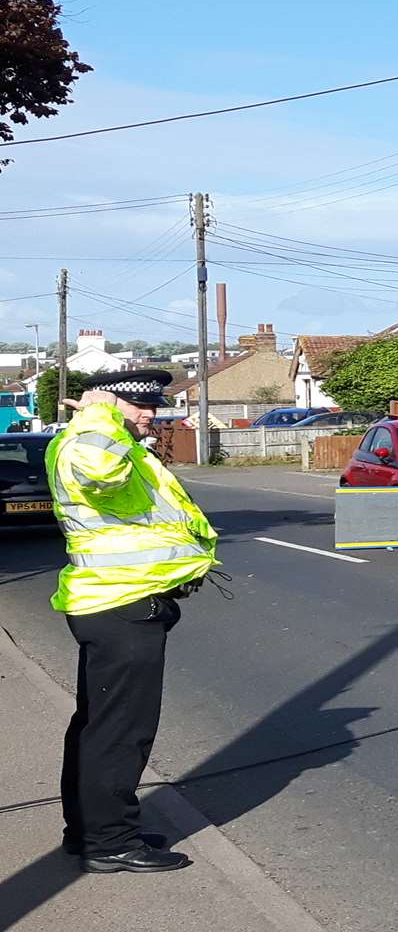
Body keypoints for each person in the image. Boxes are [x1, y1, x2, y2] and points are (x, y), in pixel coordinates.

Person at [47, 369, 217, 873]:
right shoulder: (89, 442)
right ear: (106, 403)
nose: (150, 414)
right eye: (137, 405)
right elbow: (102, 475)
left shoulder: (114, 443)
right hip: (119, 604)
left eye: (154, 406)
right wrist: (100, 413)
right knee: (121, 732)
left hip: (119, 601)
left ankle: (91, 831)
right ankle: (110, 844)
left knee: (100, 727)